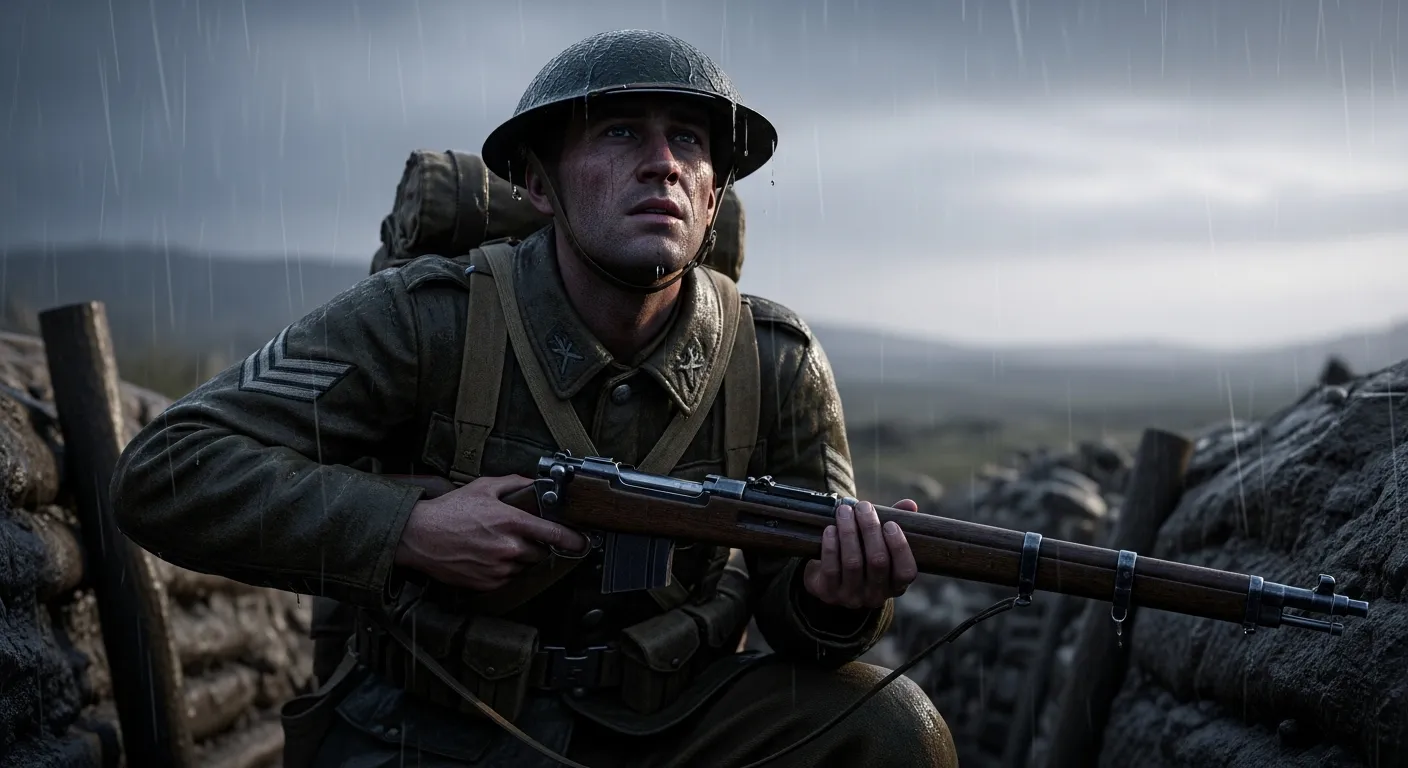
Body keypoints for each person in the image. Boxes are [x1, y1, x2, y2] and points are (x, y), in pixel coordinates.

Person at [110, 29, 959, 768]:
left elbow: (799, 613)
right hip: (431, 721)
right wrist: (409, 528)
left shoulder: (774, 361)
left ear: (711, 195)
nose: (662, 161)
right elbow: (169, 470)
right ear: (538, 184)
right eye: (619, 132)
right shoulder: (426, 320)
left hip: (672, 723)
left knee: (891, 726)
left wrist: (833, 598)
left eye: (688, 140)